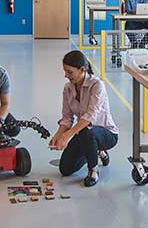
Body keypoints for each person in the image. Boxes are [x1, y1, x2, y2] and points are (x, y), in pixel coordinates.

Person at [49, 50, 118, 187]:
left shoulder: (97, 85)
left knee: (87, 130)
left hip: (106, 133)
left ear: (82, 70)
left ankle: (93, 171)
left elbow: (89, 117)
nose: (66, 76)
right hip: (84, 134)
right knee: (65, 169)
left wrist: (67, 136)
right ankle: (95, 151)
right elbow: (67, 117)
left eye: (69, 72)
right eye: (65, 71)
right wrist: (58, 135)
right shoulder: (67, 88)